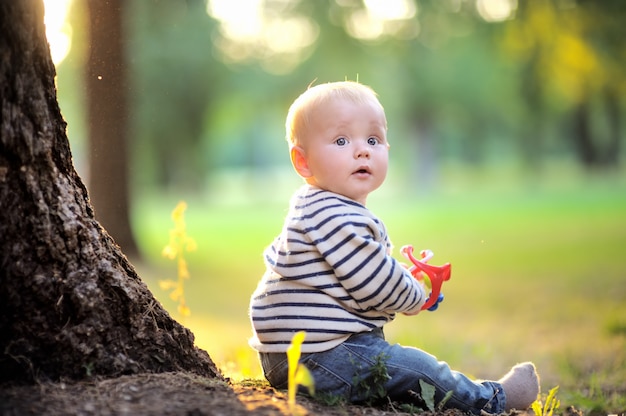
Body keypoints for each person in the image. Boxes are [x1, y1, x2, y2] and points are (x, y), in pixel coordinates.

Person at [248, 81, 539, 414]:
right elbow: (373, 282)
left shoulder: (315, 206)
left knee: (394, 370)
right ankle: (491, 400)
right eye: (341, 140)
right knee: (417, 368)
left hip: (299, 352)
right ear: (303, 162)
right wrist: (414, 294)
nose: (362, 150)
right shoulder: (335, 214)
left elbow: (357, 270)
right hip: (319, 355)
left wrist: (399, 274)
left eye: (373, 140)